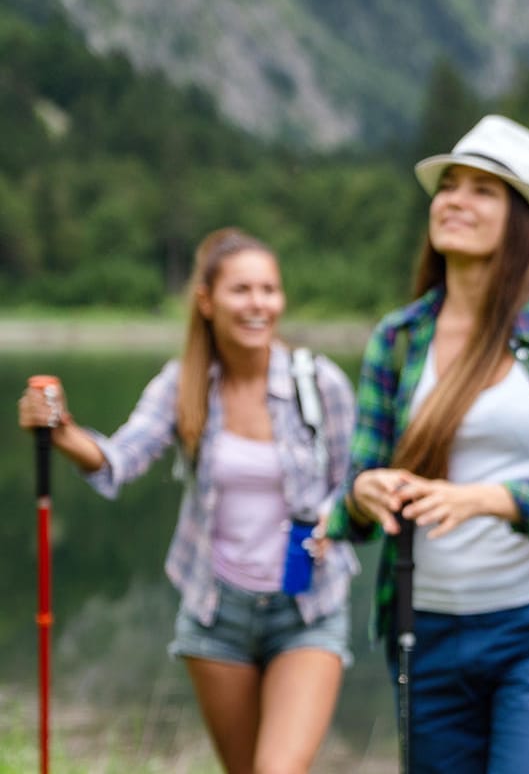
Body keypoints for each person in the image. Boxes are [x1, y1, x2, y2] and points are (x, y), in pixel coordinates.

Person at [16, 228, 357, 774]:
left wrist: (334, 519)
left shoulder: (320, 384)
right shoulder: (184, 384)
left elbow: (352, 482)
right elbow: (119, 460)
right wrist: (60, 429)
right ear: (206, 300)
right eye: (241, 290)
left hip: (308, 608)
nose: (258, 304)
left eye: (269, 290)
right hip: (215, 610)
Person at [334, 114, 529, 774]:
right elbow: (351, 498)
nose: (454, 199)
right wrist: (365, 493)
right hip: (424, 631)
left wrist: (488, 499)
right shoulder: (397, 340)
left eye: (482, 190)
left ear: (521, 219)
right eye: (448, 185)